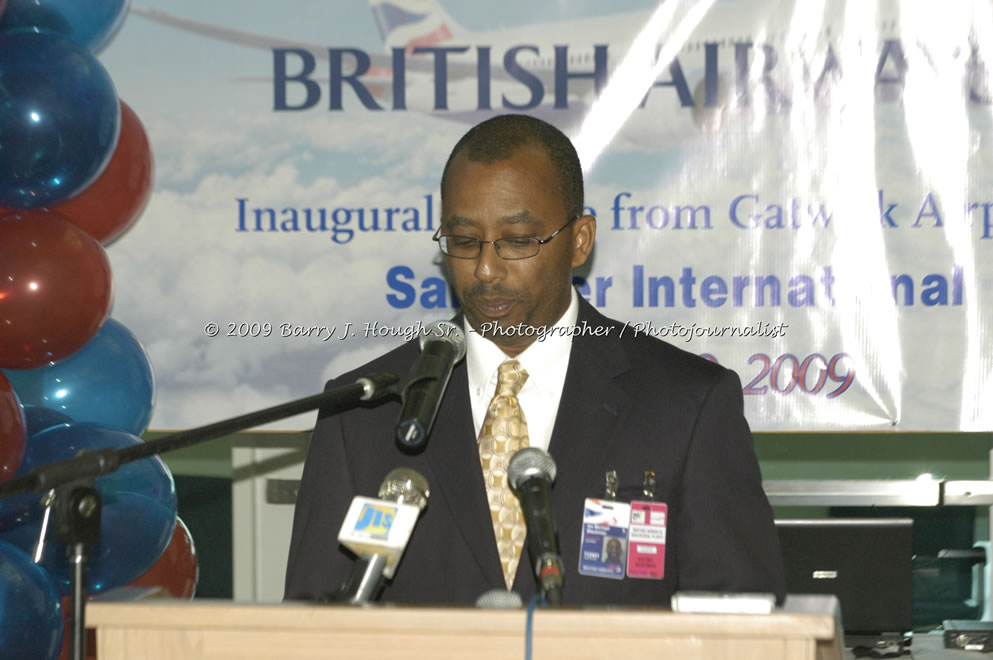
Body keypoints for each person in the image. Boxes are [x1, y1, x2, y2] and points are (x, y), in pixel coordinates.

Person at [284, 114, 786, 605]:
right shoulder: (363, 414)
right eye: (464, 242)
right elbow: (308, 627)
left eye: (518, 241)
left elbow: (743, 619)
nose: (485, 268)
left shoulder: (686, 406)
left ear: (580, 242)